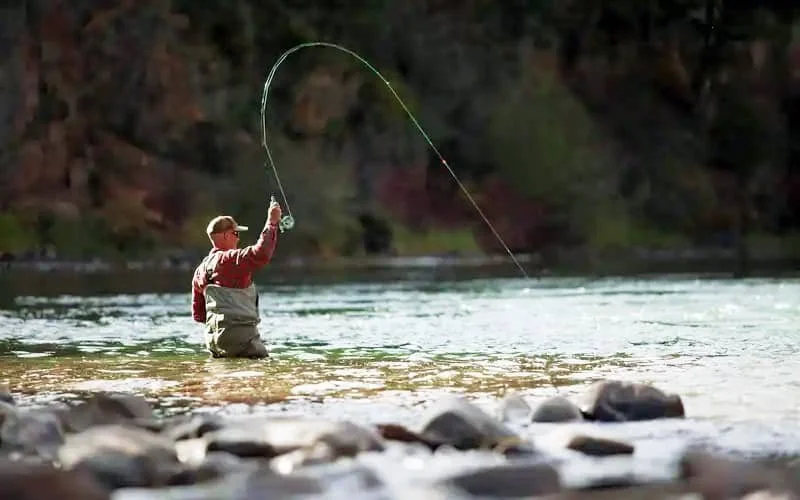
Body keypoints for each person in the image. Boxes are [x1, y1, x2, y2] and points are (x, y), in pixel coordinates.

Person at [191, 199, 282, 358]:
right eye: (236, 233)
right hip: (243, 341)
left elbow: (199, 315)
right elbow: (261, 254)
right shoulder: (230, 260)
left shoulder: (200, 271)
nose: (238, 238)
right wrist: (272, 222)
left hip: (214, 342)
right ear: (226, 235)